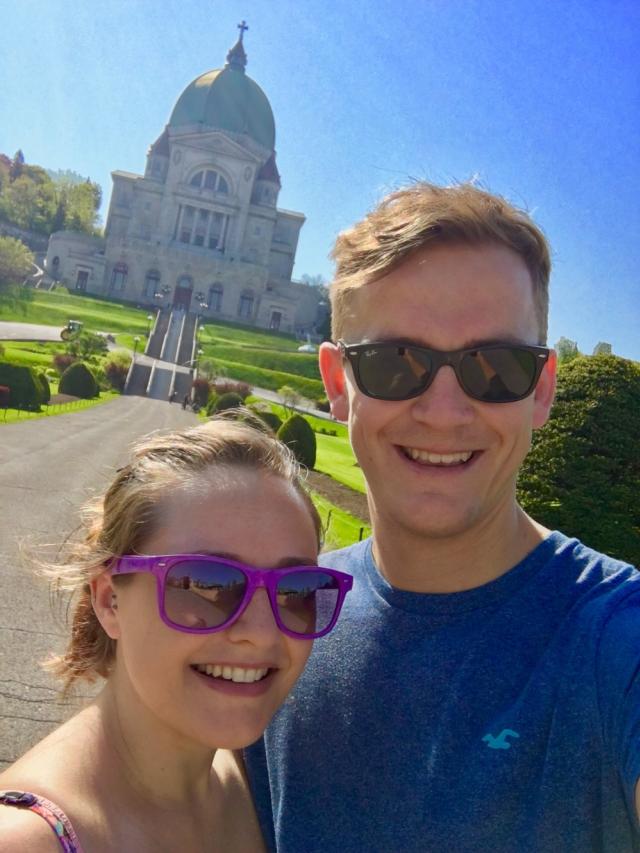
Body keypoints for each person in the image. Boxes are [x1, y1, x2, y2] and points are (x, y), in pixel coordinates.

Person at [245, 182, 640, 852]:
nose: (445, 411)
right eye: (399, 363)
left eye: (495, 366)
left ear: (540, 391)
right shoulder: (281, 619)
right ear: (339, 385)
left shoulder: (616, 640)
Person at [0, 418, 352, 851]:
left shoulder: (258, 781)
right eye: (205, 584)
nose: (261, 634)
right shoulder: (28, 841)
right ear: (110, 600)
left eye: (296, 590)